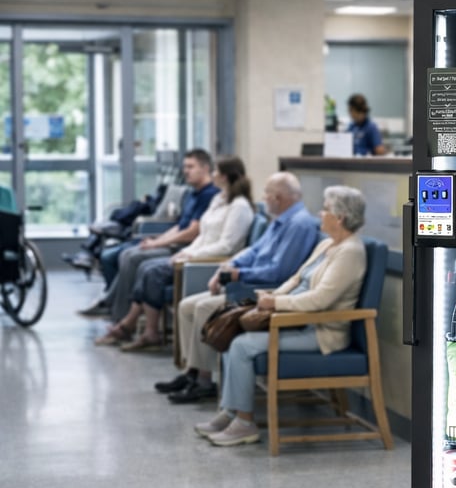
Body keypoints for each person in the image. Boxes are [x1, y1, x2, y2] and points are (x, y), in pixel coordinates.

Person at [194, 185, 367, 447]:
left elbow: (321, 299)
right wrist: (270, 297)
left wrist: (276, 302)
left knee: (241, 346)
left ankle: (244, 423)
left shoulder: (351, 252)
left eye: (325, 209)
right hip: (293, 320)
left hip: (319, 332)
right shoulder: (326, 245)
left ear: (340, 217)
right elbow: (296, 278)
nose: (320, 214)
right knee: (231, 339)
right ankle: (230, 412)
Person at [155, 171, 318, 404]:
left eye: (267, 194)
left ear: (280, 198)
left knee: (203, 308)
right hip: (249, 283)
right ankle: (191, 371)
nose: (264, 198)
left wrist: (237, 274)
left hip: (265, 291)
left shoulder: (300, 225)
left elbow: (280, 272)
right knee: (186, 306)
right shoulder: (280, 220)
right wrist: (231, 265)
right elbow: (254, 251)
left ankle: (203, 382)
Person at [94, 156, 255, 350]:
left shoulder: (240, 207)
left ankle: (143, 330)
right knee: (146, 267)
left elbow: (227, 247)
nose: (213, 175)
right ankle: (142, 329)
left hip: (209, 261)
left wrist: (191, 256)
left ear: (226, 176)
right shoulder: (219, 199)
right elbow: (203, 235)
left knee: (152, 271)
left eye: (216, 171)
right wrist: (186, 252)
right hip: (195, 254)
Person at [80, 149, 219, 320]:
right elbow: (179, 226)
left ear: (205, 169)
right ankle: (113, 305)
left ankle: (118, 313)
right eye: (185, 167)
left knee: (131, 257)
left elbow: (191, 233)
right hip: (174, 242)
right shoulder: (192, 194)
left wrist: (157, 244)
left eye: (191, 167)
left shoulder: (209, 195)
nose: (186, 171)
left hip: (185, 248)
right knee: (125, 253)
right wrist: (157, 240)